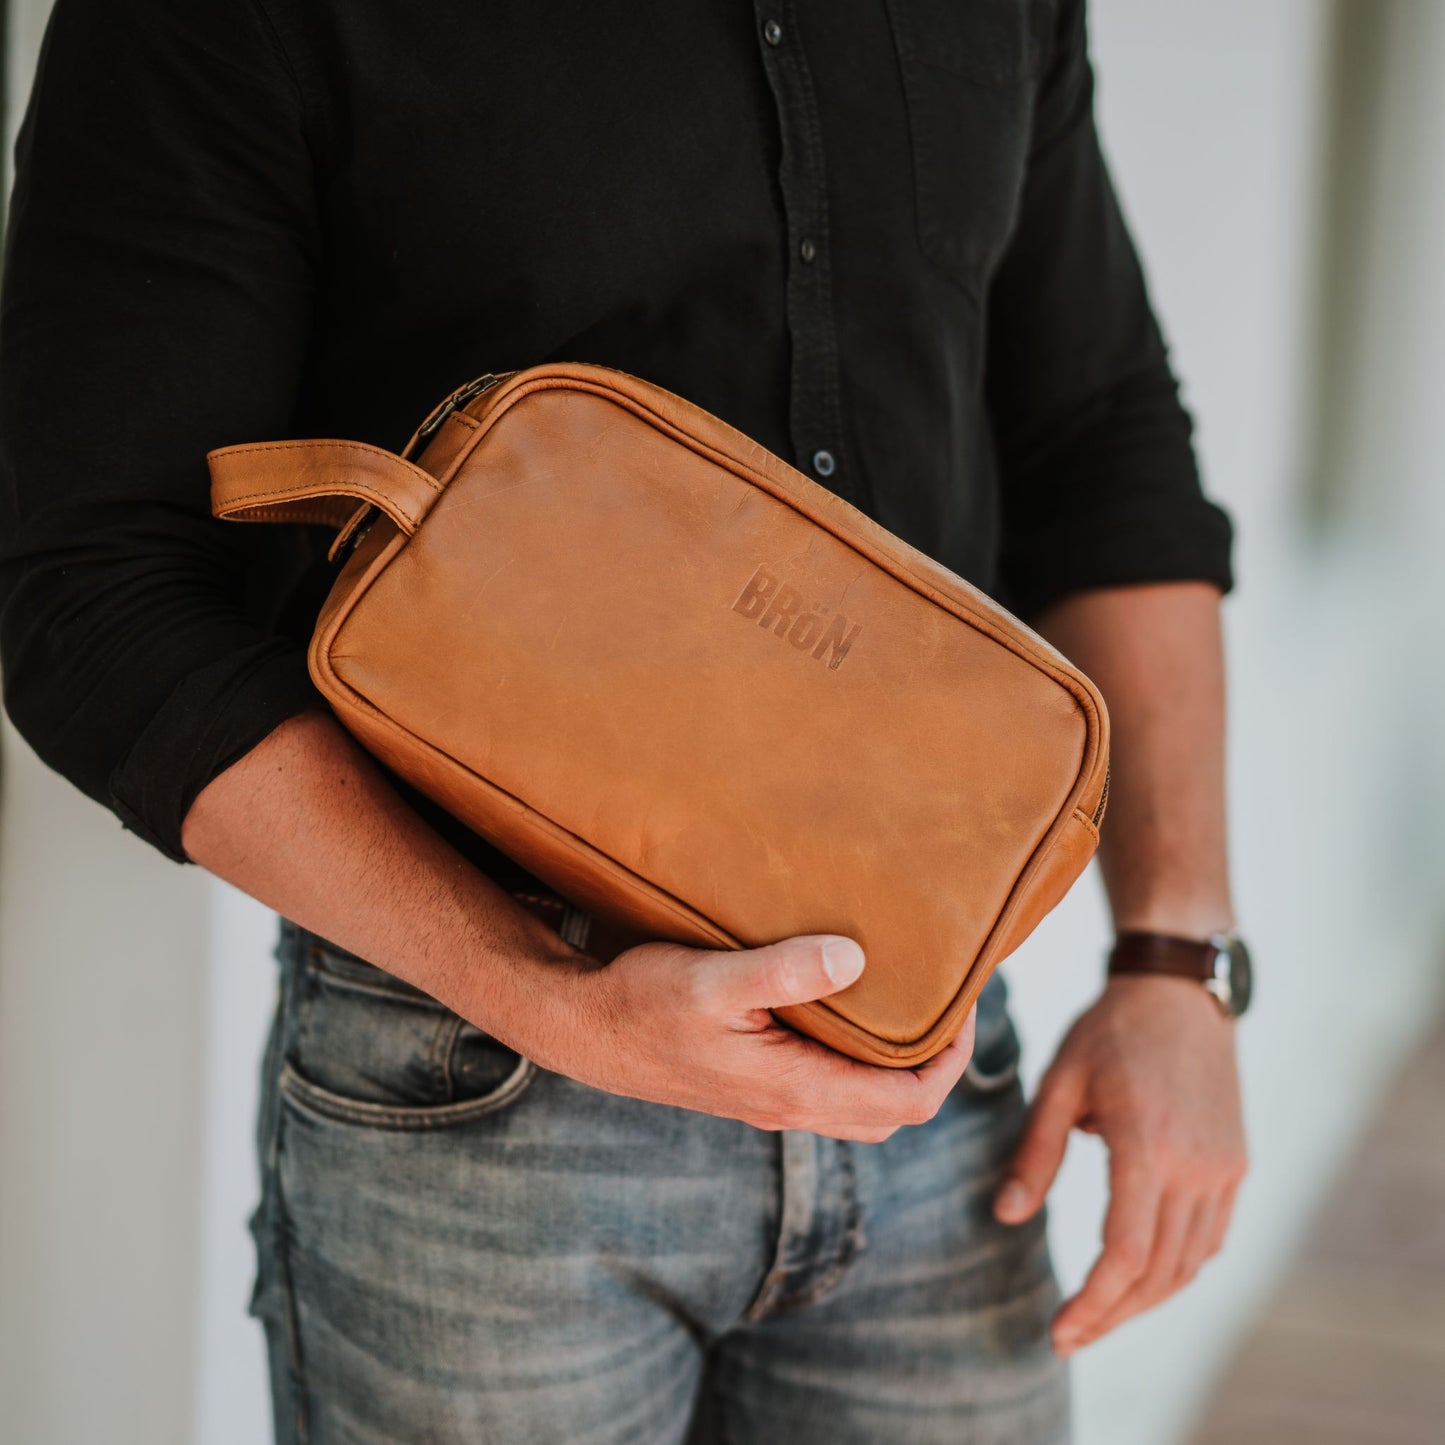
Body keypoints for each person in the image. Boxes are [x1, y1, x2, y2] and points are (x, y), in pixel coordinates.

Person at [0, 1, 1248, 1441]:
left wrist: (1177, 959)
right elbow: (95, 595)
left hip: (936, 1063)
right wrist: (542, 992)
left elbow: (1099, 437)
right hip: (473, 1083)